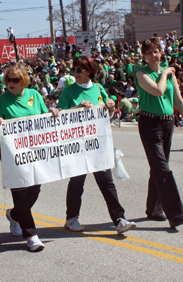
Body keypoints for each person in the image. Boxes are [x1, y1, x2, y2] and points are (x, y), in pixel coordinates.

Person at [53, 56, 136, 234]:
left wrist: (111, 105)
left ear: (89, 71)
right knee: (77, 183)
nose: (74, 73)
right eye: (73, 69)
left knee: (106, 182)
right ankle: (71, 218)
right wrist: (77, 108)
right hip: (77, 144)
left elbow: (109, 111)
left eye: (78, 70)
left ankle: (119, 219)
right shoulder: (68, 91)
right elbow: (60, 115)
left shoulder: (98, 88)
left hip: (98, 144)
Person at [134, 38, 183, 228]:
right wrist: (165, 73)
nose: (155, 55)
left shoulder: (168, 74)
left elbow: (178, 99)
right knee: (162, 168)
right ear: (143, 56)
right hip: (149, 123)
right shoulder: (141, 73)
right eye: (150, 52)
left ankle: (154, 208)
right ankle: (176, 214)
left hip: (167, 123)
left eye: (157, 51)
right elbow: (159, 91)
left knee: (159, 167)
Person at [0, 64, 47, 252]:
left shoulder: (35, 96)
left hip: (35, 151)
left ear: (24, 80)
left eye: (15, 80)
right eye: (8, 80)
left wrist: (53, 113)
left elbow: (44, 119)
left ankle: (15, 215)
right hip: (11, 153)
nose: (11, 83)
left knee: (35, 190)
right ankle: (31, 235)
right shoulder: (0, 101)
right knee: (20, 191)